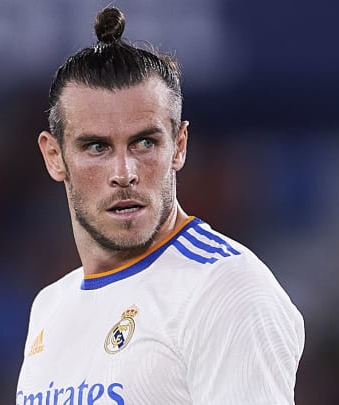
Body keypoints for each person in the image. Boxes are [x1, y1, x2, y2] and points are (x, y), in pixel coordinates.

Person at [17, 6, 304, 405]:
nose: (124, 173)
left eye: (144, 143)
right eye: (97, 147)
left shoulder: (224, 289)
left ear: (179, 146)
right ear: (54, 157)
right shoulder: (50, 306)